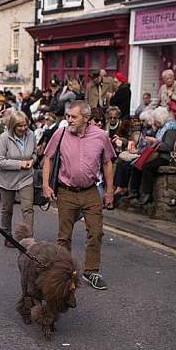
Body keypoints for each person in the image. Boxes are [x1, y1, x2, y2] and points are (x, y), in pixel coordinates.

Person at [42, 101, 116, 290]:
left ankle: (91, 272)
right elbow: (48, 158)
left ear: (86, 118)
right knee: (64, 236)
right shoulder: (60, 133)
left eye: (73, 117)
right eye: (67, 116)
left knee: (96, 232)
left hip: (91, 191)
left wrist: (109, 192)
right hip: (66, 191)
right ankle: (65, 272)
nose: (69, 120)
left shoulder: (101, 136)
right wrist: (45, 185)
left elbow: (108, 163)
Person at [0, 112, 36, 246]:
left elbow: (34, 153)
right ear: (12, 126)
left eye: (25, 125)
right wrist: (19, 164)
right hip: (7, 179)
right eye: (20, 126)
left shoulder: (31, 135)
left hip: (26, 178)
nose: (24, 129)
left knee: (28, 209)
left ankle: (27, 238)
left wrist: (32, 160)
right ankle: (7, 235)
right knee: (7, 209)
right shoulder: (4, 138)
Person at [127, 107, 176, 206]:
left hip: (165, 157)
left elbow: (168, 147)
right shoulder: (161, 128)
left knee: (147, 167)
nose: (155, 122)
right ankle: (134, 191)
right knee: (137, 163)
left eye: (156, 120)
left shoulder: (171, 129)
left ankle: (147, 194)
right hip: (156, 154)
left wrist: (154, 141)